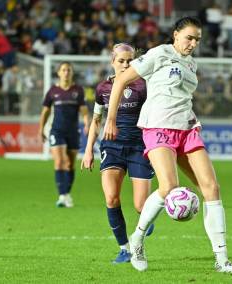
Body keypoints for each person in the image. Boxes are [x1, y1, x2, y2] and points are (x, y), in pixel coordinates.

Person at [103, 16, 232, 274]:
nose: (192, 43)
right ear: (176, 34)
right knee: (169, 186)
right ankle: (137, 239)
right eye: (189, 37)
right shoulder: (159, 54)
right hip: (158, 127)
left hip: (187, 128)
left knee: (211, 188)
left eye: (197, 40)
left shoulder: (192, 64)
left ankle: (222, 260)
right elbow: (122, 80)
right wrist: (110, 119)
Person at [80, 43, 155, 264]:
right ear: (112, 61)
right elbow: (96, 121)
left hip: (139, 147)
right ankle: (124, 248)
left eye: (130, 61)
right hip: (112, 147)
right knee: (111, 198)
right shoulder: (103, 88)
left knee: (142, 206)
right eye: (121, 60)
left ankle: (144, 225)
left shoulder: (144, 85)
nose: (125, 64)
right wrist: (88, 150)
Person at [38, 62, 89, 207]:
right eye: (63, 70)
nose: (66, 72)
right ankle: (62, 195)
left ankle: (67, 194)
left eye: (68, 70)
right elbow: (45, 111)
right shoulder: (53, 91)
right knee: (59, 161)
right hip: (57, 130)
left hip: (73, 131)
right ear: (59, 73)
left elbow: (84, 110)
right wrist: (41, 129)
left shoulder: (78, 90)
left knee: (70, 164)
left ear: (72, 73)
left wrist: (87, 123)